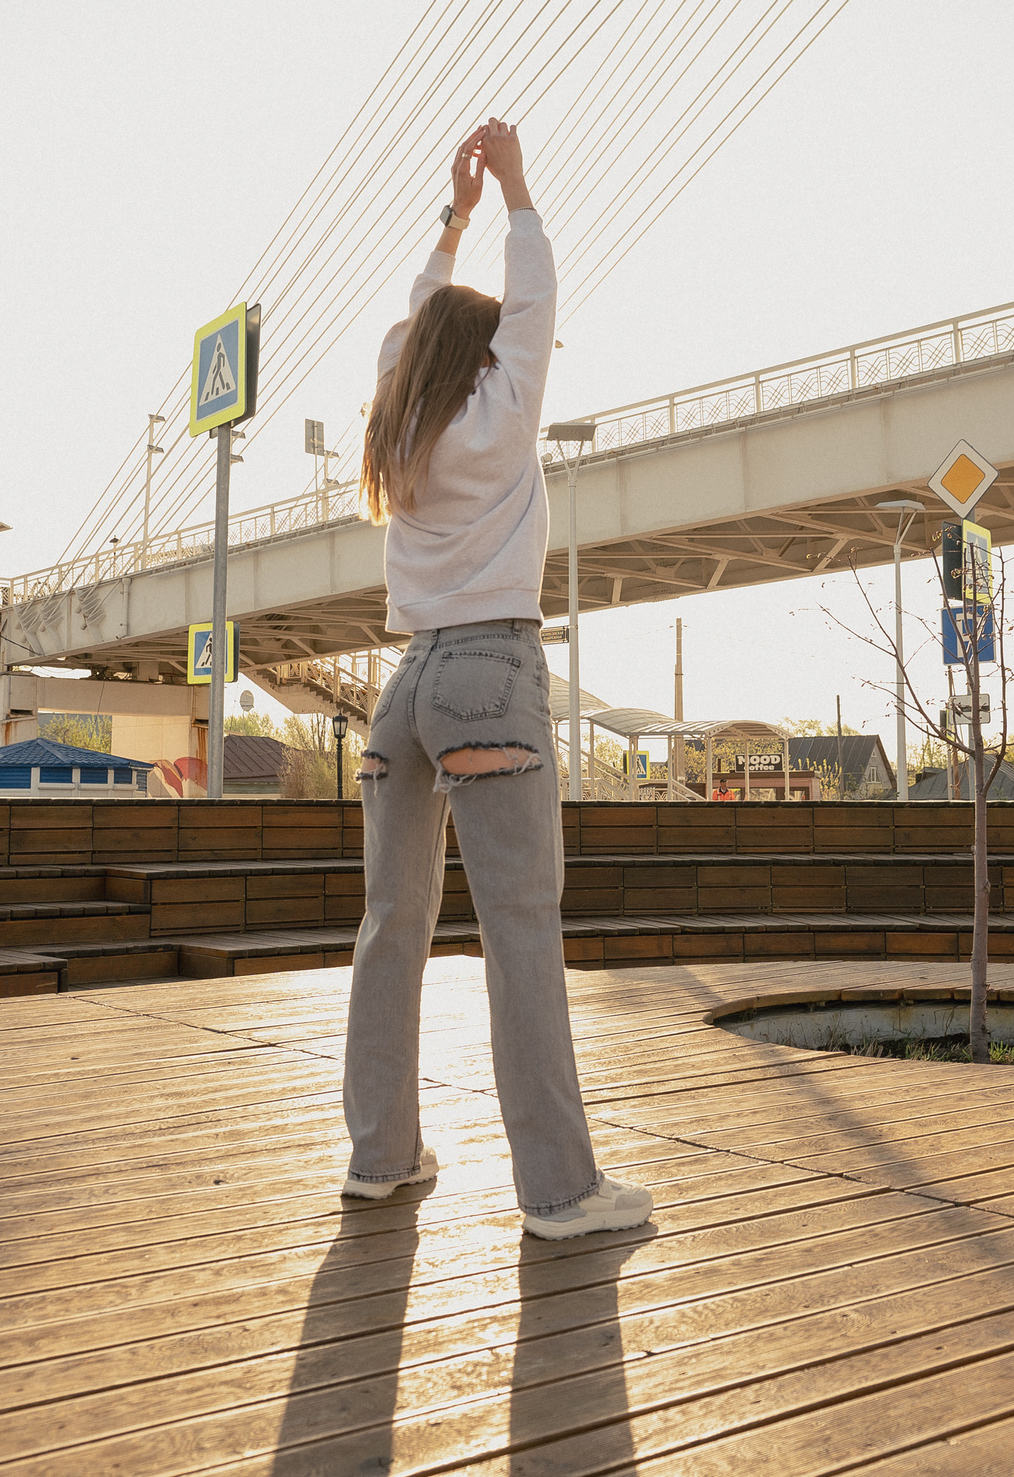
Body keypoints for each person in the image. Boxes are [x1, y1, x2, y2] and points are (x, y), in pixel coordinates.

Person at [341, 119, 653, 1240]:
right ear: (482, 355)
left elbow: (407, 330)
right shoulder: (502, 411)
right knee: (519, 927)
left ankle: (379, 1156)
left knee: (392, 923)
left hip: (405, 689)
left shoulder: (397, 426)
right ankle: (560, 1193)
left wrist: (453, 218)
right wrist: (517, 194)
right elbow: (533, 304)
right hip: (489, 673)